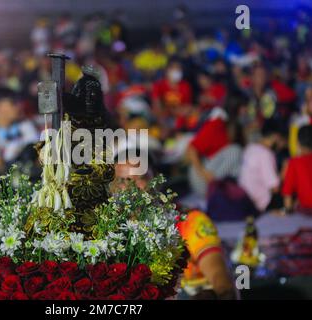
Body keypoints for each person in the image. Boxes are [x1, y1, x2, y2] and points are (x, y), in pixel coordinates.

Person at [112, 150, 237, 300]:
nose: (133, 189)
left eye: (140, 178)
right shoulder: (109, 231)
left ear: (157, 179)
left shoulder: (189, 221)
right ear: (113, 188)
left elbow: (220, 280)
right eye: (124, 181)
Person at [0, 87, 39, 171]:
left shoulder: (25, 124)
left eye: (19, 102)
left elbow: (38, 154)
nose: (19, 106)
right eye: (13, 103)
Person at [186, 108, 244, 197]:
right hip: (201, 178)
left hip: (210, 174)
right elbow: (191, 150)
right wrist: (202, 172)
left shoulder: (229, 134)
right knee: (236, 151)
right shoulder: (217, 124)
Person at [239, 119, 284, 212]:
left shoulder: (250, 148)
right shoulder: (266, 154)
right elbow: (274, 188)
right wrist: (286, 169)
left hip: (245, 200)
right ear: (276, 137)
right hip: (261, 204)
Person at [282, 125, 312, 215]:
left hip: (306, 212)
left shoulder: (294, 163)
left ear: (298, 143)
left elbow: (287, 192)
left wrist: (287, 212)